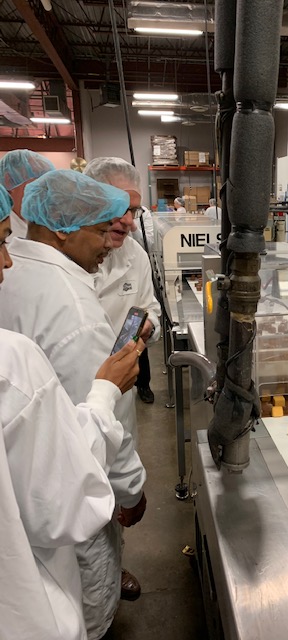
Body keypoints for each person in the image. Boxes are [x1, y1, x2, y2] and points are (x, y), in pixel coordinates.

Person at [0, 170, 147, 640]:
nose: (109, 243)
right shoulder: (74, 311)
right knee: (88, 607)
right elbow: (104, 414)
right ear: (63, 227)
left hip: (20, 502)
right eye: (102, 231)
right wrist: (131, 490)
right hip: (70, 502)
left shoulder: (16, 272)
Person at [83, 157, 161, 409]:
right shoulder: (66, 258)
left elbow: (150, 306)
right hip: (75, 393)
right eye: (119, 207)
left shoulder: (135, 255)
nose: (129, 222)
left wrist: (149, 324)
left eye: (133, 211)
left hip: (121, 393)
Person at [0, 148, 54, 238]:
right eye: (37, 184)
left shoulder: (34, 223)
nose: (45, 194)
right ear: (9, 180)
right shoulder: (4, 229)